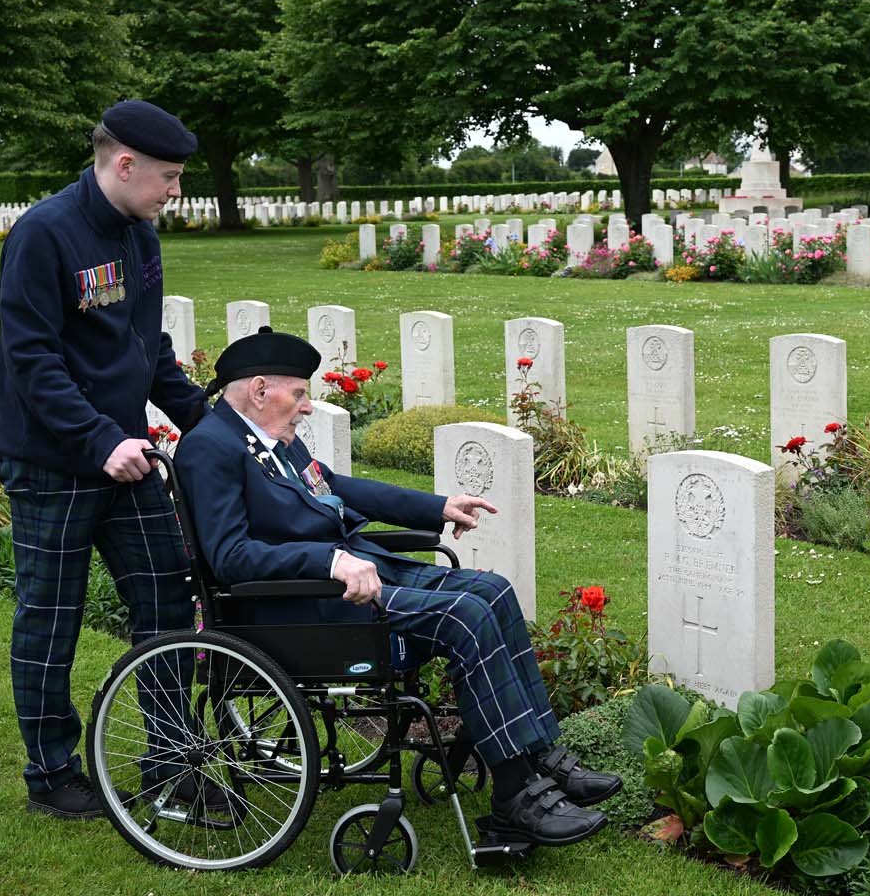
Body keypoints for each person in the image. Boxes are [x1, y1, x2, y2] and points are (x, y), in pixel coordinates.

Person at [175, 329, 620, 849]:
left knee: (494, 590)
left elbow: (335, 487)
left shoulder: (270, 441)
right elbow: (230, 558)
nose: (308, 406)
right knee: (464, 617)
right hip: (306, 604)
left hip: (352, 578)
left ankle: (540, 753)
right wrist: (330, 558)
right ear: (258, 390)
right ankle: (515, 797)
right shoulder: (209, 448)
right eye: (299, 393)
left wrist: (436, 506)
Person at [0, 101, 210, 819]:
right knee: (52, 616)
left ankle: (172, 757)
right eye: (169, 177)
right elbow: (33, 361)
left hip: (127, 457)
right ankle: (51, 773)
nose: (175, 191)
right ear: (124, 164)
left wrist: (211, 427)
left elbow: (150, 352)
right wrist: (99, 440)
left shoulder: (141, 236)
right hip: (55, 460)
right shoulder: (44, 235)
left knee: (166, 603)